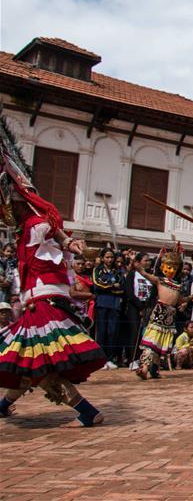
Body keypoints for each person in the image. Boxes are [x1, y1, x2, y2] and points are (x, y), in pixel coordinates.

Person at [0, 125, 106, 425]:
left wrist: (72, 244)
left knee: (41, 365)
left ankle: (87, 411)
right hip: (37, 303)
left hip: (44, 305)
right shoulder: (24, 233)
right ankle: (3, 405)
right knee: (27, 363)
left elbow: (61, 236)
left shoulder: (38, 224)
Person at [135, 251, 193, 380]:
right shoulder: (159, 280)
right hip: (159, 313)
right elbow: (145, 274)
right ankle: (144, 368)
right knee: (152, 341)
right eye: (168, 267)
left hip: (169, 317)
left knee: (161, 344)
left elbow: (181, 300)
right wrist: (137, 266)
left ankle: (154, 371)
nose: (171, 270)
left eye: (174, 267)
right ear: (162, 267)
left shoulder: (177, 286)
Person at [123, 252, 157, 369]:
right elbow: (129, 292)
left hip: (148, 307)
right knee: (134, 332)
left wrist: (147, 305)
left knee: (146, 334)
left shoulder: (151, 275)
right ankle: (132, 359)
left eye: (149, 260)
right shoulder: (132, 274)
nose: (148, 262)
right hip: (134, 306)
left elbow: (153, 293)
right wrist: (139, 306)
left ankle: (144, 359)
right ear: (138, 262)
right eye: (145, 260)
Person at [92, 248, 125, 369]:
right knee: (101, 332)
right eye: (107, 257)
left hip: (115, 304)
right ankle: (100, 360)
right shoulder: (98, 270)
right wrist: (112, 286)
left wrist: (109, 288)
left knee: (112, 332)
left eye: (111, 257)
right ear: (102, 258)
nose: (110, 259)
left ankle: (109, 359)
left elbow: (121, 287)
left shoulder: (118, 271)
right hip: (102, 303)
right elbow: (98, 285)